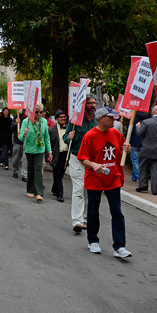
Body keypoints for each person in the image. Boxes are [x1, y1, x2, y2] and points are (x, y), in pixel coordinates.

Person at [77, 107, 132, 258]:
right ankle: (93, 240)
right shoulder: (90, 136)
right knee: (93, 211)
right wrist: (94, 165)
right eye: (111, 117)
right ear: (101, 118)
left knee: (117, 212)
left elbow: (121, 151)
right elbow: (83, 158)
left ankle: (120, 246)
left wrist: (126, 148)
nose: (114, 120)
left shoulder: (116, 133)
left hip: (112, 179)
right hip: (95, 179)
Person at [64, 95, 98, 233]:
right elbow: (65, 137)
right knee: (78, 190)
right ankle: (77, 221)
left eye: (94, 103)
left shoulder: (98, 122)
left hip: (91, 162)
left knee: (89, 190)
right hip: (77, 159)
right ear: (85, 106)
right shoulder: (75, 121)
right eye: (90, 103)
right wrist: (69, 137)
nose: (93, 105)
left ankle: (85, 218)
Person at [19, 103, 52, 202]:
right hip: (29, 149)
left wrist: (49, 151)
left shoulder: (44, 122)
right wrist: (24, 134)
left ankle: (39, 192)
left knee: (38, 169)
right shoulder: (26, 121)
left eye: (40, 112)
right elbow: (20, 137)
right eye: (36, 112)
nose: (38, 114)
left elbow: (46, 137)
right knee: (31, 169)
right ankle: (30, 189)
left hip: (40, 149)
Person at [135, 106, 157, 195]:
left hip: (146, 149)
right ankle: (155, 190)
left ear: (153, 112)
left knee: (143, 167)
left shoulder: (146, 122)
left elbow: (139, 134)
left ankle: (143, 186)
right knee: (156, 170)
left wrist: (138, 127)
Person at [49, 110, 70, 202]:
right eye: (60, 117)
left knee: (61, 174)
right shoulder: (51, 130)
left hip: (66, 154)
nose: (63, 118)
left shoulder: (70, 129)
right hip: (56, 154)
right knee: (57, 174)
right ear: (56, 119)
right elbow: (48, 143)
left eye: (64, 117)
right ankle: (60, 194)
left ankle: (54, 188)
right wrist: (48, 155)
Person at [129, 111, 150, 183]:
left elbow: (130, 129)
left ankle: (139, 176)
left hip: (134, 141)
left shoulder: (134, 117)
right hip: (144, 142)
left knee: (135, 161)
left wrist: (127, 139)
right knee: (142, 161)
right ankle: (134, 177)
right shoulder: (148, 118)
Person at [12, 109, 28, 181]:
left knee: (25, 159)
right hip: (17, 140)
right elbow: (11, 128)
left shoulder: (30, 119)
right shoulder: (17, 117)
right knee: (16, 157)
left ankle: (24, 174)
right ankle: (15, 170)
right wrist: (16, 123)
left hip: (26, 142)